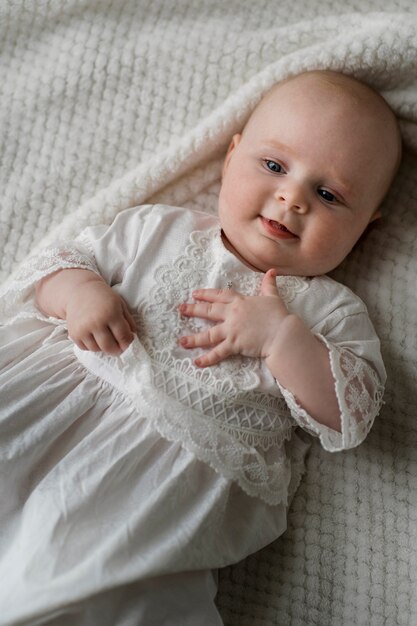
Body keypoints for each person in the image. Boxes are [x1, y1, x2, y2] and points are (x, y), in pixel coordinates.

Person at [0, 70, 401, 625]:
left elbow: (350, 414)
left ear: (366, 229)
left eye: (328, 194)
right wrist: (80, 294)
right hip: (58, 397)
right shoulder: (156, 230)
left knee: (84, 587)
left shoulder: (327, 310)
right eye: (274, 166)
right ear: (231, 156)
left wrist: (282, 338)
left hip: (152, 488)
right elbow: (53, 266)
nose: (292, 197)